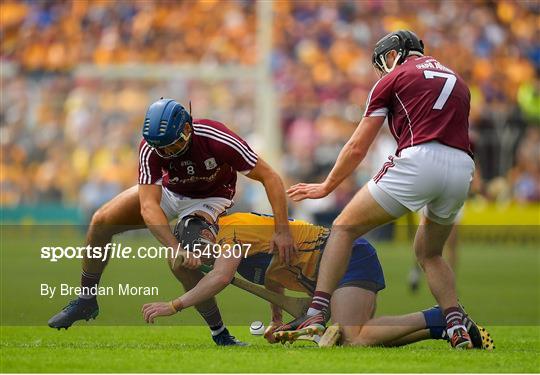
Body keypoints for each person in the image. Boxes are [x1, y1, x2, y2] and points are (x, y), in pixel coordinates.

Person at [280, 30, 477, 349]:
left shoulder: (394, 77)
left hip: (419, 159)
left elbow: (358, 145)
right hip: (461, 167)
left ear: (393, 54)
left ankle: (315, 313)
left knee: (343, 227)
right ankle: (456, 324)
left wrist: (327, 186)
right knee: (430, 253)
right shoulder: (458, 79)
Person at [48, 98, 295, 346]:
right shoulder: (149, 148)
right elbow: (149, 206)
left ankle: (220, 333)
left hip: (209, 198)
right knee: (101, 221)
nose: (168, 152)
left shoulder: (216, 138)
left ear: (188, 128)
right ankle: (86, 300)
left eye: (173, 144)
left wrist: (282, 231)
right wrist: (174, 247)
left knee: (180, 265)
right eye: (161, 149)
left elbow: (270, 177)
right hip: (169, 191)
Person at [140, 212, 493, 350]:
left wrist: (174, 305)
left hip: (348, 258)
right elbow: (271, 274)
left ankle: (446, 315)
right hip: (334, 271)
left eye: (194, 247)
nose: (195, 255)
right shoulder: (230, 240)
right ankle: (444, 324)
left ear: (205, 232)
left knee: (352, 334)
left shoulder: (230, 231)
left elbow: (220, 277)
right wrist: (277, 316)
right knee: (349, 339)